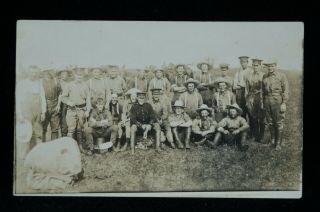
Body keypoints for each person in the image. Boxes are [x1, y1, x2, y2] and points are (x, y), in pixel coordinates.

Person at [16, 65, 46, 156]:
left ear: (37, 73)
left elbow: (42, 98)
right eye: (32, 72)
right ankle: (24, 156)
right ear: (28, 73)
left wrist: (43, 112)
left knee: (38, 132)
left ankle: (37, 154)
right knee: (26, 133)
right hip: (26, 112)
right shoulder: (22, 84)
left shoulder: (39, 83)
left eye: (35, 72)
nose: (33, 74)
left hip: (37, 111)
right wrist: (19, 114)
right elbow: (18, 100)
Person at [61, 68, 91, 151]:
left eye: (81, 75)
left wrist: (88, 110)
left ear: (82, 76)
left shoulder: (85, 85)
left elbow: (88, 99)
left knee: (80, 129)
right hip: (72, 110)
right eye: (78, 75)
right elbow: (63, 97)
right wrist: (68, 102)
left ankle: (80, 147)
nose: (79, 77)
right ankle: (69, 148)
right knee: (71, 129)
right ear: (75, 75)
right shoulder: (69, 85)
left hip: (82, 109)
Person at [262, 61, 289, 150]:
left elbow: (286, 90)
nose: (270, 68)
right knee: (270, 122)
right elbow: (263, 91)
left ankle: (278, 144)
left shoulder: (281, 76)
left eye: (272, 66)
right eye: (268, 66)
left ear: (275, 66)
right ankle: (272, 140)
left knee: (278, 122)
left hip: (277, 100)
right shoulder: (265, 76)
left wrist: (284, 103)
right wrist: (263, 102)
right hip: (267, 100)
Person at [245, 58, 265, 143]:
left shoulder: (263, 75)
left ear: (260, 66)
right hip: (251, 97)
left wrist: (263, 99)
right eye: (253, 65)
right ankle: (256, 135)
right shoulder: (249, 75)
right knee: (253, 117)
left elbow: (265, 88)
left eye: (257, 65)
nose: (255, 67)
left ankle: (262, 136)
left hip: (260, 97)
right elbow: (247, 88)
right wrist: (247, 99)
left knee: (261, 117)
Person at [41, 68, 62, 142]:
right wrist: (42, 109)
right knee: (43, 128)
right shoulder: (41, 82)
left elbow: (60, 94)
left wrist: (58, 105)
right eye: (47, 71)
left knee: (55, 129)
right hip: (44, 106)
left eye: (50, 71)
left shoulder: (56, 81)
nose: (49, 73)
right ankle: (42, 146)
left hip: (55, 105)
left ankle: (54, 146)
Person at [57, 68, 72, 136]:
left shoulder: (69, 83)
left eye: (65, 74)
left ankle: (64, 134)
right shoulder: (57, 82)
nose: (64, 76)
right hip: (58, 103)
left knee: (65, 120)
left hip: (66, 103)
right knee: (57, 120)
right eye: (62, 74)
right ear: (60, 75)